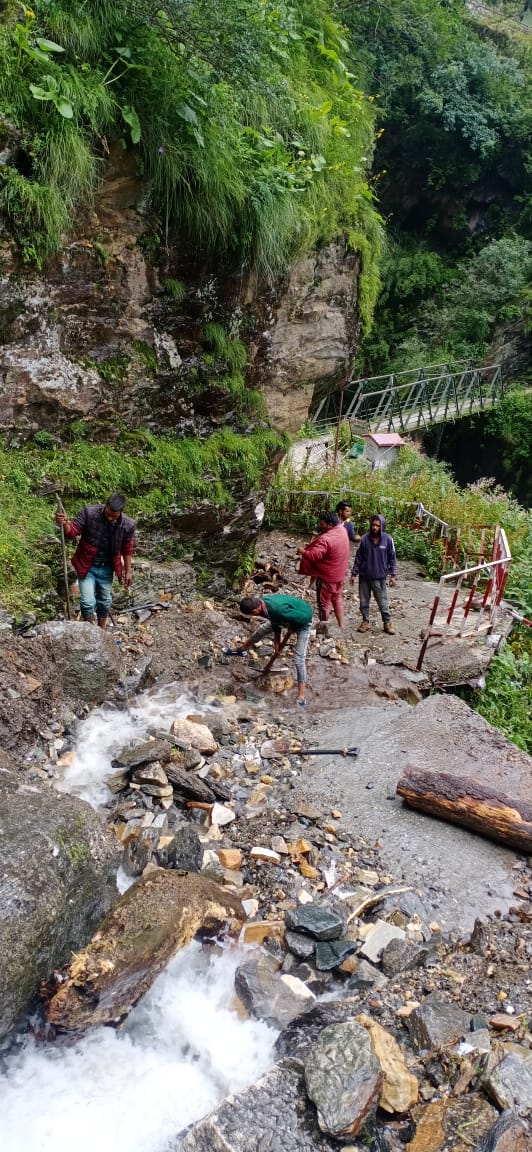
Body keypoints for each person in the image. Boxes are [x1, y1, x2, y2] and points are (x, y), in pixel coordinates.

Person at [55, 494, 136, 629]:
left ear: (121, 513)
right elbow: (72, 532)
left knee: (105, 601)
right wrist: (64, 524)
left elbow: (127, 549)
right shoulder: (89, 513)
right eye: (108, 513)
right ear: (106, 505)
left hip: (107, 568)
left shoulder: (128, 525)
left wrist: (128, 572)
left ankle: (102, 630)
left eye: (114, 516)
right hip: (86, 565)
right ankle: (90, 629)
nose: (110, 518)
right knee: (87, 602)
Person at [227, 594, 313, 706]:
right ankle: (242, 649)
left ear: (256, 610)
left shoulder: (276, 610)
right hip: (285, 617)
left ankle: (301, 695)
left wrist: (292, 628)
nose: (252, 616)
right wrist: (277, 642)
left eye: (251, 614)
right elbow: (276, 623)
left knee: (299, 659)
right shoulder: (263, 605)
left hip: (303, 619)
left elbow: (303, 617)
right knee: (262, 629)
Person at [297, 510, 350, 629]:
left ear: (330, 525)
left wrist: (302, 551)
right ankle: (341, 626)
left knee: (323, 604)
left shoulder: (326, 539)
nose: (320, 527)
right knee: (337, 598)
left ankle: (324, 628)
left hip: (326, 577)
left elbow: (313, 556)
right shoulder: (342, 530)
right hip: (339, 574)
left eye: (322, 524)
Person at [350, 513, 397, 634]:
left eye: (377, 525)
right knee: (364, 602)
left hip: (379, 577)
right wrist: (354, 574)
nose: (374, 527)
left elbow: (392, 558)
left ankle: (387, 623)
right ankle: (365, 622)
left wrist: (393, 575)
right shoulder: (364, 539)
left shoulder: (388, 540)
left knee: (382, 602)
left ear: (382, 526)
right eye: (373, 525)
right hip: (364, 577)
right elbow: (358, 557)